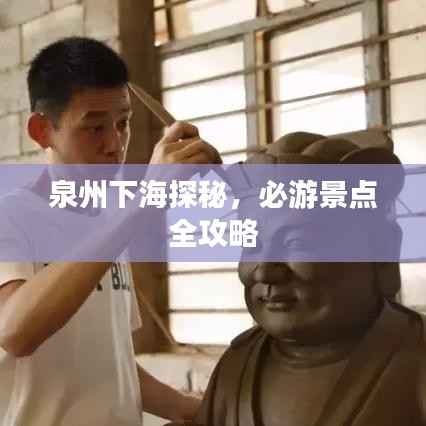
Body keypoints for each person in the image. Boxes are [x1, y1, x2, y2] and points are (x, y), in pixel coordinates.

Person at [0, 36, 220, 425]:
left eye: (123, 124)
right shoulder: (13, 217)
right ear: (42, 130)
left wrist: (189, 408)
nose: (115, 145)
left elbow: (110, 362)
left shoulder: (109, 225)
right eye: (95, 128)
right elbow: (16, 332)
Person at [190, 131, 426, 426]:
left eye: (297, 242)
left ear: (383, 249)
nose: (264, 271)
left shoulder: (416, 361)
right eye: (252, 244)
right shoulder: (238, 364)